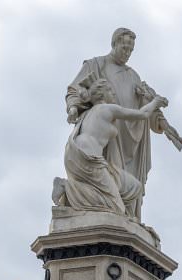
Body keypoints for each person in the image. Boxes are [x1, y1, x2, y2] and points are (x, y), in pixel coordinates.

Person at [65, 28, 182, 220]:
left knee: (129, 186)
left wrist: (164, 124)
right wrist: (73, 107)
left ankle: (127, 218)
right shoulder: (96, 65)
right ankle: (100, 208)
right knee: (107, 183)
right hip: (107, 134)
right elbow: (74, 89)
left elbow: (146, 108)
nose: (127, 52)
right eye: (124, 47)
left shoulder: (134, 76)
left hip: (132, 138)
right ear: (114, 44)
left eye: (131, 49)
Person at [59, 78, 168, 216]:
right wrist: (155, 102)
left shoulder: (87, 113)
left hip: (74, 152)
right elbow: (142, 114)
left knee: (135, 187)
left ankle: (71, 190)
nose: (113, 93)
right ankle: (67, 188)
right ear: (102, 94)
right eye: (110, 90)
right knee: (115, 208)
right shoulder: (108, 108)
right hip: (89, 156)